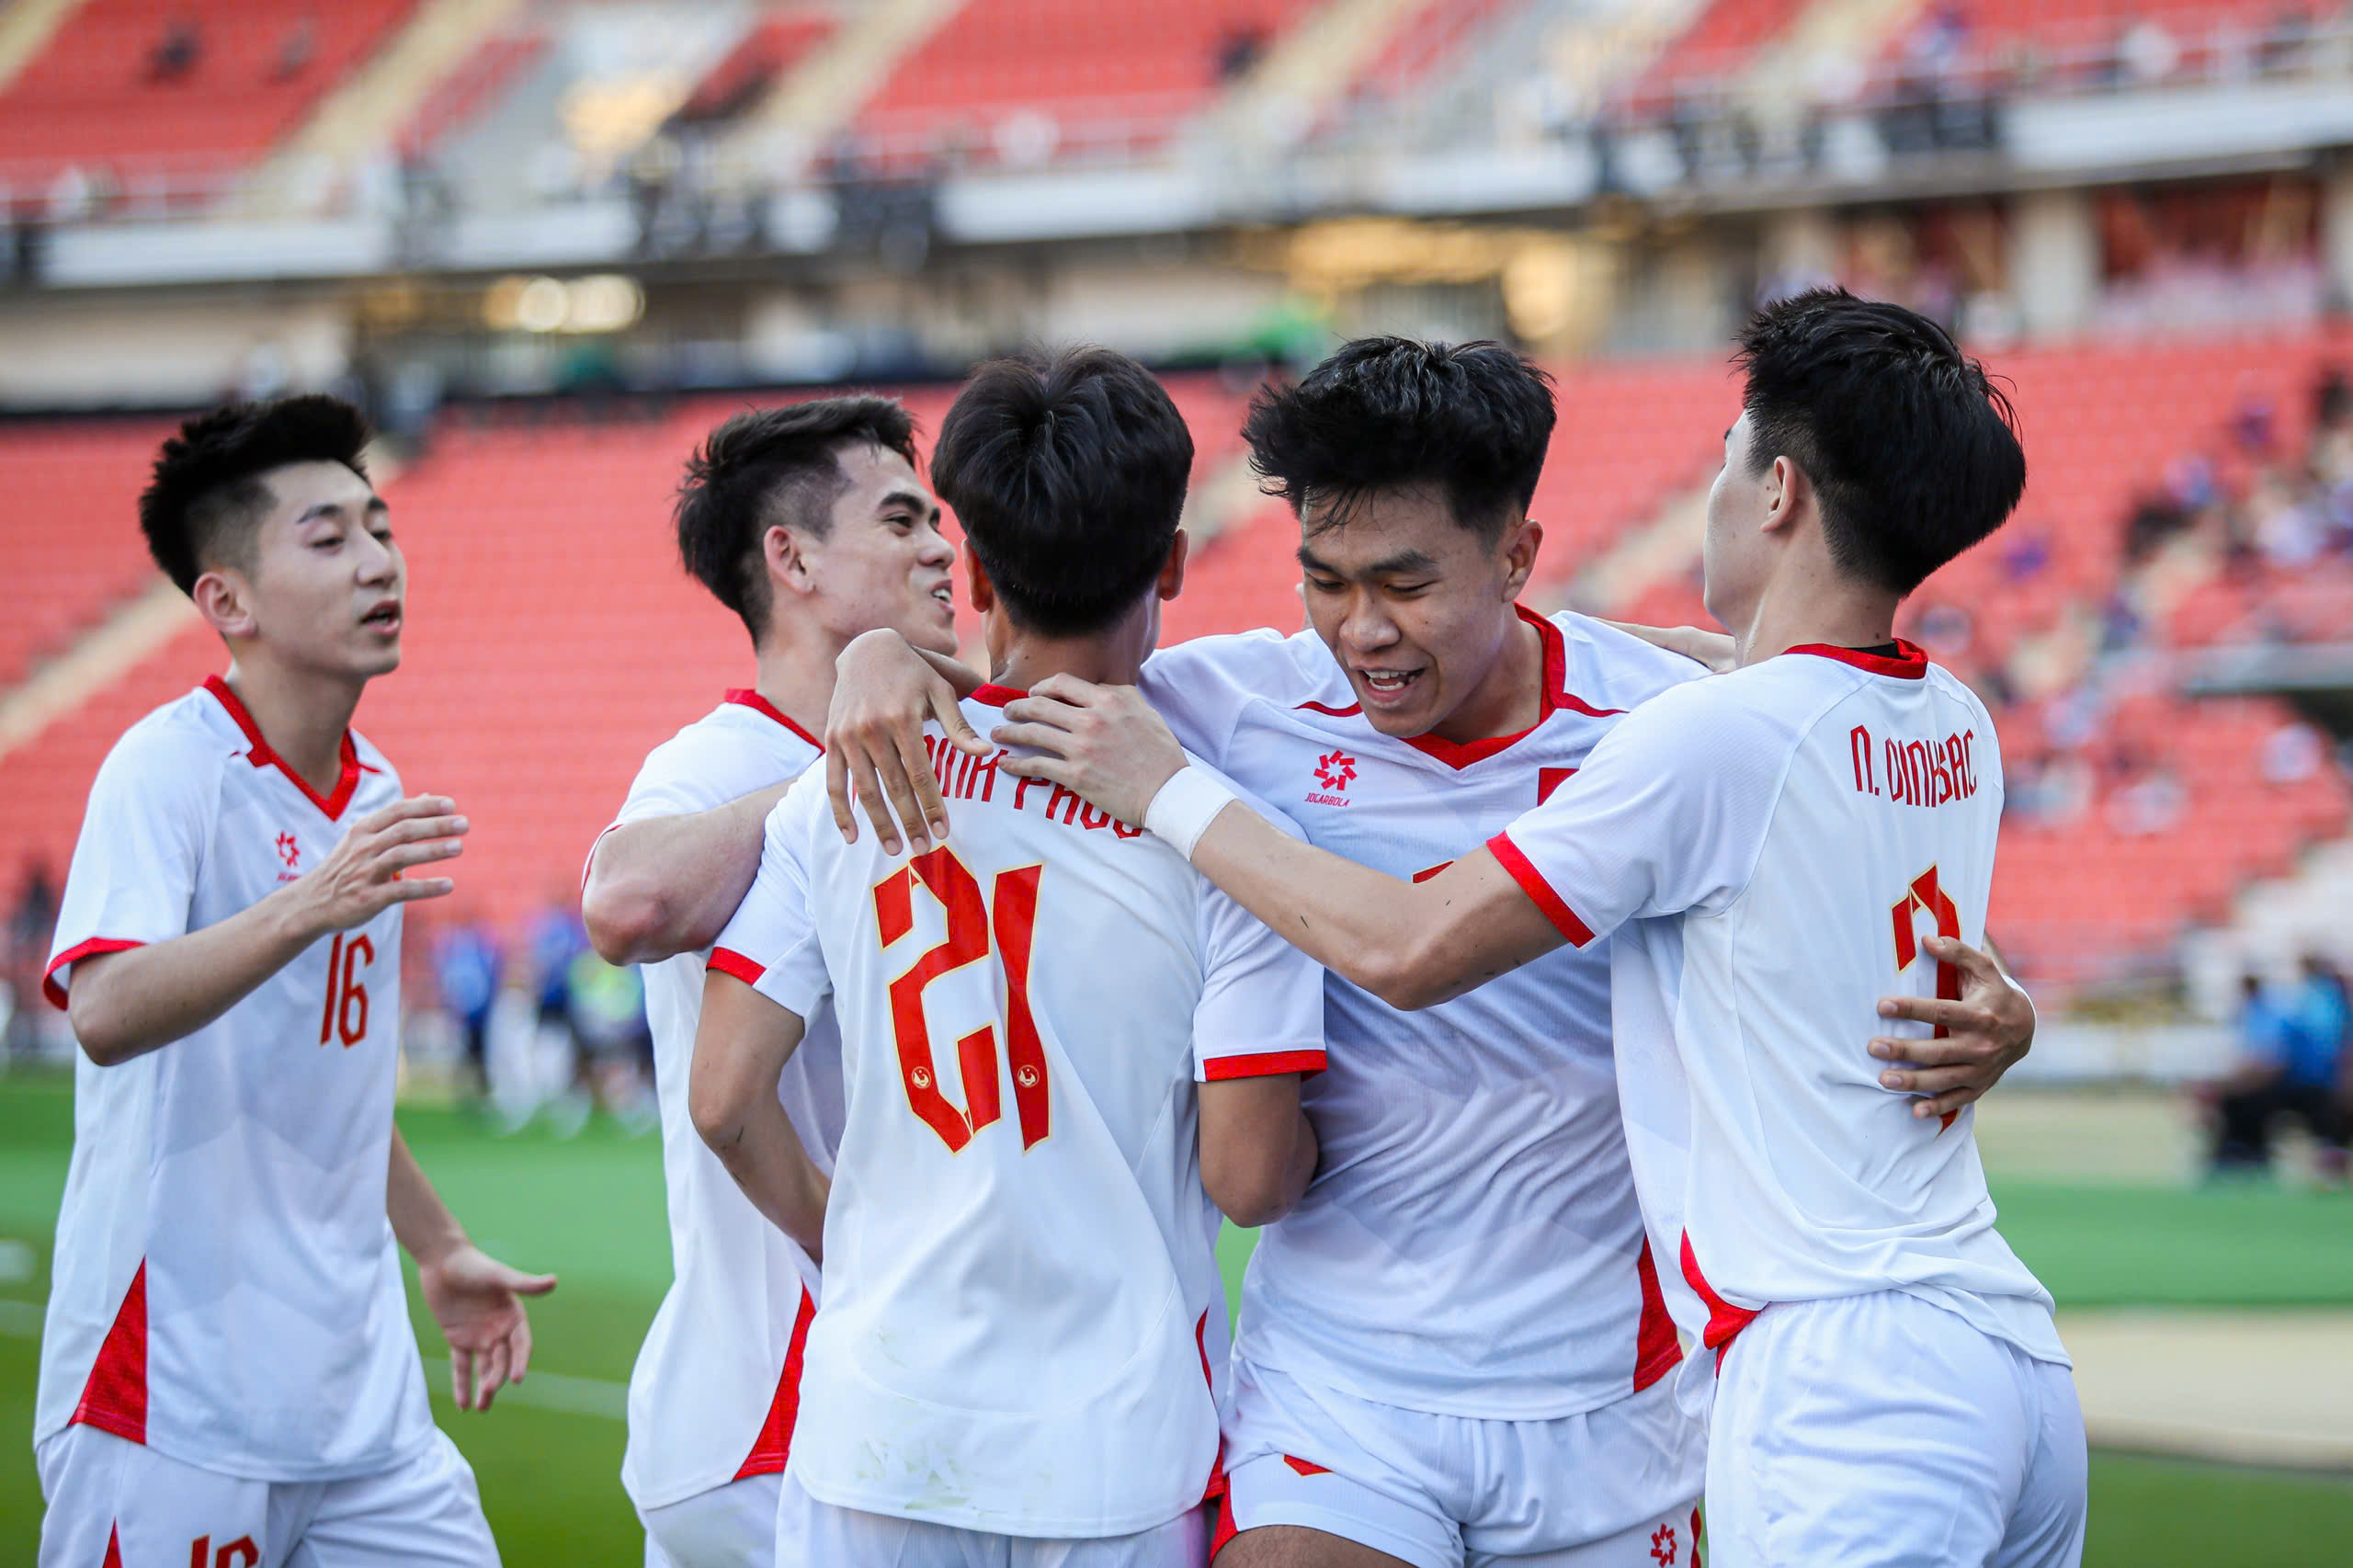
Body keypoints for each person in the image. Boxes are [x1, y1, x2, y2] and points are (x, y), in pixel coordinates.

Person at [826, 335, 2040, 1568]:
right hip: (1340, 1388)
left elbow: (1850, 801)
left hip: (1607, 1402)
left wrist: (2007, 1005)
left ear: (1517, 556)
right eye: (1326, 580)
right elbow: (1029, 664)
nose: (1362, 631)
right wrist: (874, 657)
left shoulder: (1670, 721)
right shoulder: (1217, 713)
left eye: (1404, 583)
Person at [689, 347, 1327, 1568]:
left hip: (875, 1430)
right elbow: (1251, 1178)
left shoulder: (837, 788)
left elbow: (724, 1099)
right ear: (1176, 563)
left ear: (972, 568)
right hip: (1115, 1448)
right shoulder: (1230, 836)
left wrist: (871, 1241)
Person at [35, 395, 553, 1568]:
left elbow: (330, 1079)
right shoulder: (168, 768)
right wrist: (306, 903)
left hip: (359, 1401)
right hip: (172, 1393)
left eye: (379, 526)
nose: (379, 560)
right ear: (228, 600)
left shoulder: (375, 787)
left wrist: (437, 1244)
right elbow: (105, 1011)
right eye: (328, 538)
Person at [577, 397, 963, 1567]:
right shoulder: (723, 759)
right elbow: (624, 902)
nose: (941, 548)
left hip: (889, 1378)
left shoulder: (946, 736)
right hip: (778, 1402)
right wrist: (825, 787)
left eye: (937, 519)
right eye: (900, 521)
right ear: (788, 558)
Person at [2209, 961, 2350, 1181]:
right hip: (2298, 1085)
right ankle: (2243, 1154)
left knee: (2245, 1102)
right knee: (2239, 1102)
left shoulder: (2272, 1015)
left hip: (2308, 1087)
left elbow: (2273, 1064)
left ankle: (2246, 1155)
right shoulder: (2257, 1015)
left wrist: (2231, 1086)